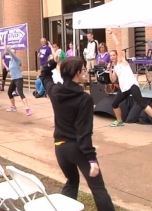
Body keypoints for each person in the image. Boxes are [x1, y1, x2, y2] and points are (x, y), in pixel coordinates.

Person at [40, 57, 115, 211]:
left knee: (72, 181)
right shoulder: (84, 99)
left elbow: (44, 75)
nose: (85, 72)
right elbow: (84, 132)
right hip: (76, 148)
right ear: (77, 72)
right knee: (98, 187)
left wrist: (52, 62)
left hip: (60, 148)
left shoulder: (54, 91)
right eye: (83, 70)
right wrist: (91, 159)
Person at [107, 27, 152, 132]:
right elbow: (113, 79)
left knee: (142, 103)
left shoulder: (121, 60)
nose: (112, 57)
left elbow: (118, 45)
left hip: (132, 85)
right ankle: (119, 121)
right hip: (124, 89)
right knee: (114, 103)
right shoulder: (114, 66)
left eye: (113, 55)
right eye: (110, 56)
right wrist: (110, 70)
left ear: (117, 55)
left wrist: (112, 34)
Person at [4, 45, 31, 116]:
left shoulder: (17, 60)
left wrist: (7, 48)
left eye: (14, 52)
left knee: (21, 93)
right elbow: (12, 69)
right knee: (9, 92)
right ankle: (13, 107)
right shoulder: (10, 62)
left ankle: (27, 108)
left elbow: (13, 55)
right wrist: (9, 69)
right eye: (12, 52)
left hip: (19, 79)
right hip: (13, 79)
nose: (13, 53)